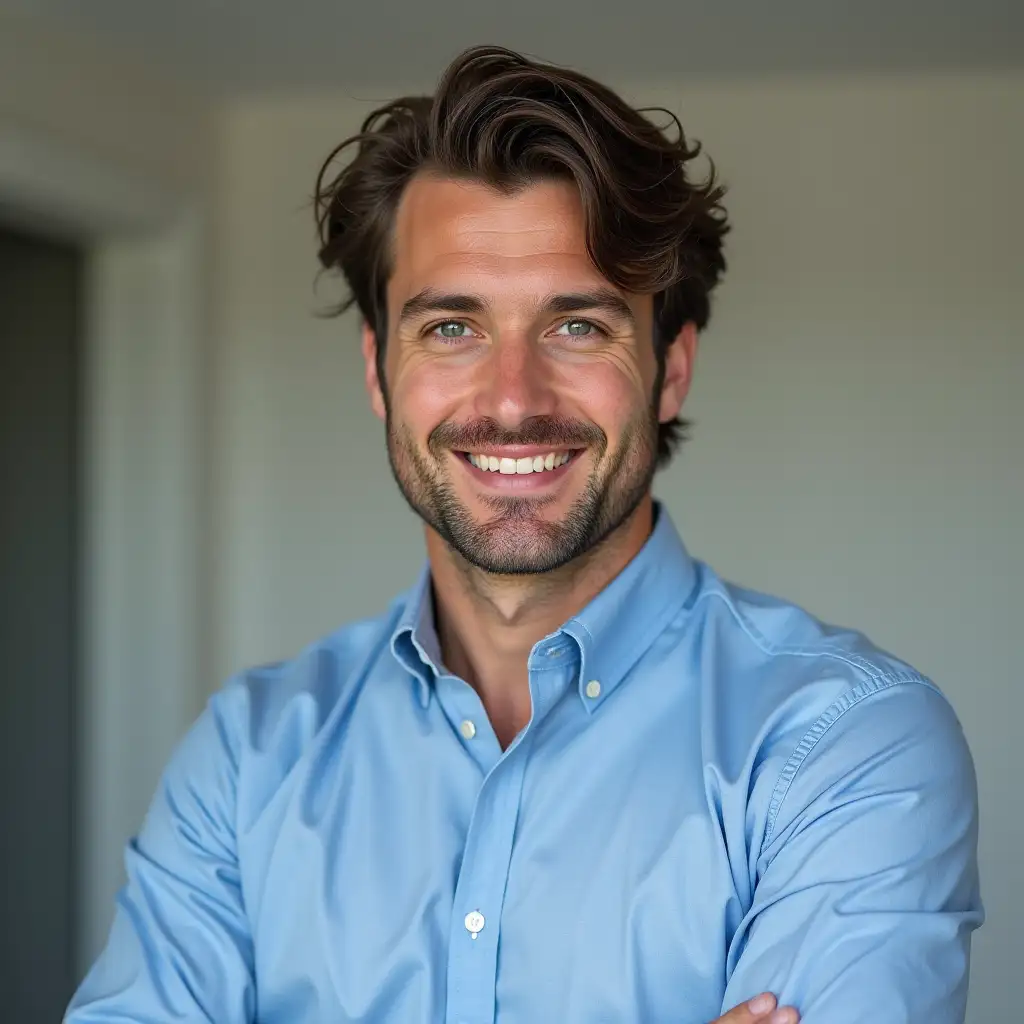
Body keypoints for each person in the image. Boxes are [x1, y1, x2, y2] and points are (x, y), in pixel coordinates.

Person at [66, 45, 983, 1024]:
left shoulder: (844, 746)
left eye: (577, 326)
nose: (512, 400)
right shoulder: (248, 759)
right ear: (380, 370)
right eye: (451, 327)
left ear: (670, 368)